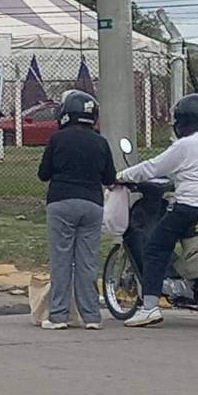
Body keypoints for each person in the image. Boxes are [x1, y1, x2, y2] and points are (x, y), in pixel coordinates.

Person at [117, 93, 198, 328]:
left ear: (183, 120)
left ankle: (149, 306)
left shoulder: (185, 145)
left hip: (192, 206)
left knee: (155, 248)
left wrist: (122, 176)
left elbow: (153, 167)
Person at [35, 91, 116, 329]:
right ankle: (91, 316)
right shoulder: (101, 142)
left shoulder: (58, 139)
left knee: (61, 261)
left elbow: (43, 174)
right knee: (87, 262)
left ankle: (58, 315)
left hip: (61, 202)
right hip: (92, 204)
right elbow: (109, 177)